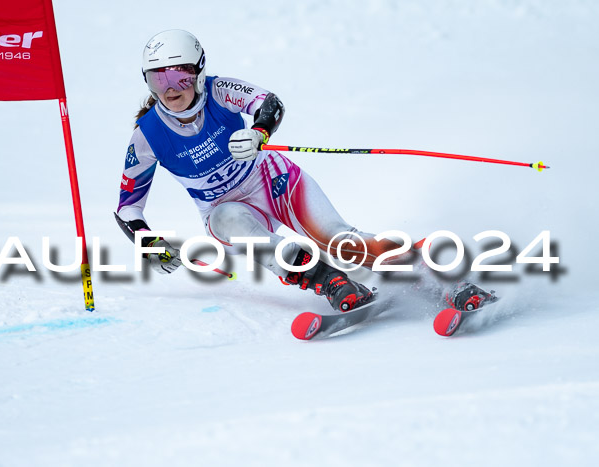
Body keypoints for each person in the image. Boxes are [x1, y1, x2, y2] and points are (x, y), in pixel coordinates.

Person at [115, 29, 494, 314]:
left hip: (272, 181)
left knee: (342, 241)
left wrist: (259, 132)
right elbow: (128, 208)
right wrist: (148, 243)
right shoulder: (147, 135)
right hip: (224, 210)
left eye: (179, 77)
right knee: (235, 222)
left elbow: (268, 102)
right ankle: (331, 282)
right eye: (158, 79)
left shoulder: (219, 91)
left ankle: (442, 278)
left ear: (198, 73)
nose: (170, 89)